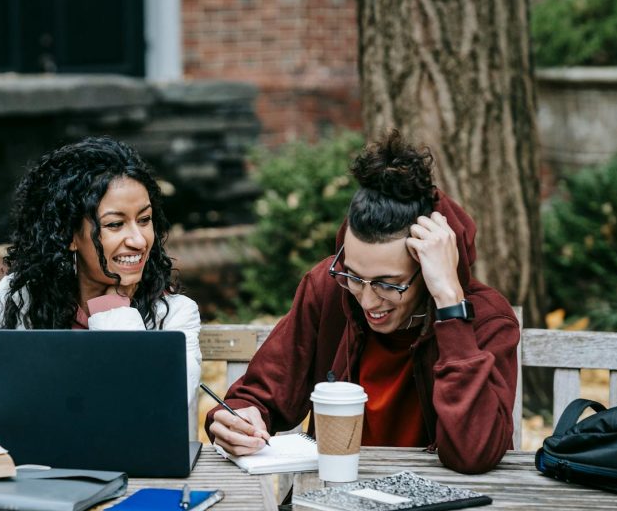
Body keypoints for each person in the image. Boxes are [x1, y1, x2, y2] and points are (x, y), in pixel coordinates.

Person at [207, 130, 518, 474]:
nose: (368, 299)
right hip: (336, 497)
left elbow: (474, 453)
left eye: (389, 284)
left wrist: (449, 303)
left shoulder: (487, 319)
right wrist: (236, 418)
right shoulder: (327, 288)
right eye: (354, 275)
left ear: (428, 267)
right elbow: (260, 394)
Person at [0, 136, 202, 442]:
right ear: (69, 235)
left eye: (145, 219)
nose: (138, 240)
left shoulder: (174, 316)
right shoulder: (19, 298)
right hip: (35, 480)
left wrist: (113, 312)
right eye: (114, 225)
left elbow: (147, 424)